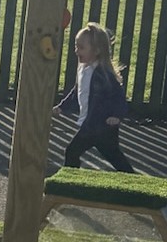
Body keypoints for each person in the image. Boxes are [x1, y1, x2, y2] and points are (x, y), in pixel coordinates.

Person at [55, 23, 135, 171]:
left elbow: (118, 97)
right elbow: (76, 93)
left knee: (73, 151)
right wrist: (62, 107)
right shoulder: (83, 69)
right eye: (76, 46)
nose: (76, 50)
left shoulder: (103, 74)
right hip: (94, 124)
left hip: (100, 125)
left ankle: (70, 182)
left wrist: (116, 115)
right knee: (113, 155)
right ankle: (133, 179)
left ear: (97, 51)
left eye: (81, 47)